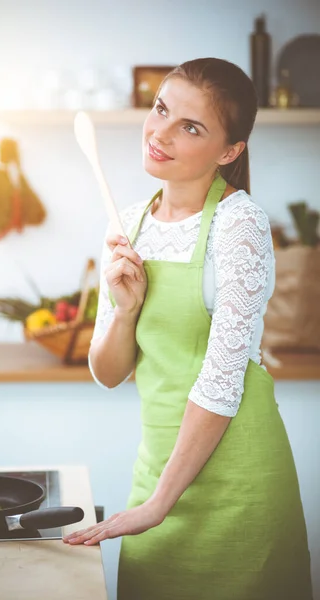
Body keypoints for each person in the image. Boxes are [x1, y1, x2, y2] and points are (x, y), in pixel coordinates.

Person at [63, 58, 313, 600]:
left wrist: (158, 505)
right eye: (161, 110)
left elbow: (222, 380)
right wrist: (126, 309)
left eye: (190, 127)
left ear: (229, 152)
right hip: (158, 468)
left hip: (236, 480)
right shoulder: (126, 222)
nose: (161, 133)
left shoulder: (239, 223)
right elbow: (108, 373)